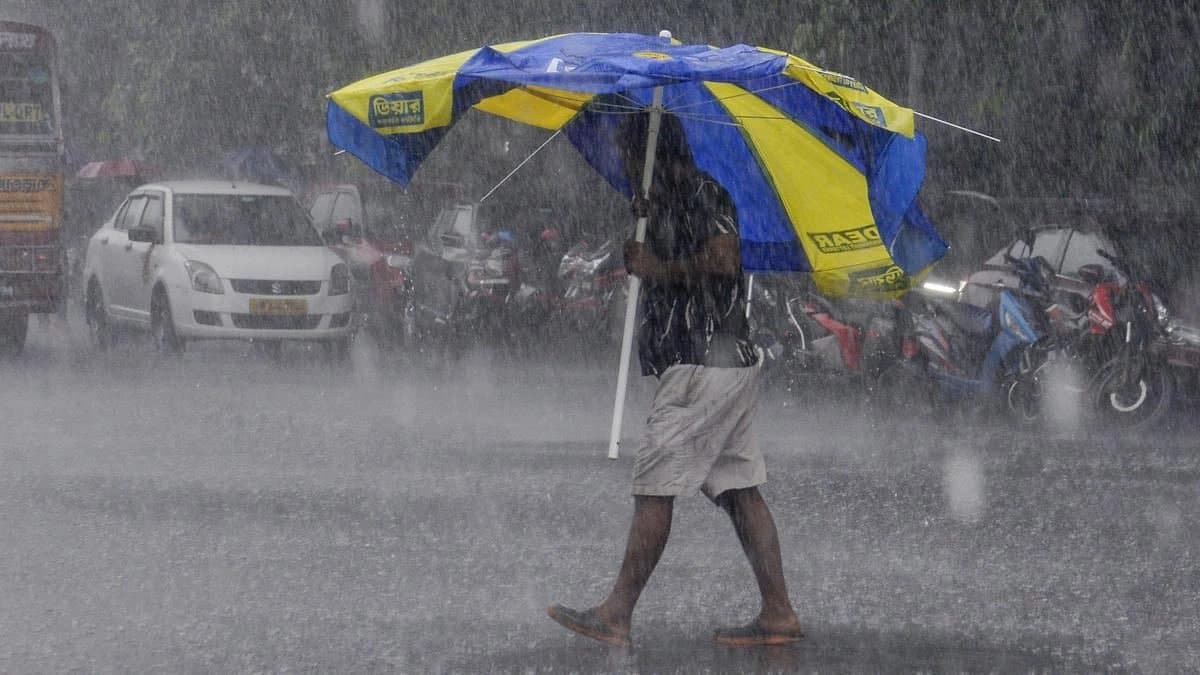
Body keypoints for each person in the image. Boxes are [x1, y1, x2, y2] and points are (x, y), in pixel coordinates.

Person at [546, 113, 804, 647]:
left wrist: (657, 267)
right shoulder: (667, 203)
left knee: (654, 486)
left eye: (628, 155)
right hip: (717, 364)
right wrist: (649, 228)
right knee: (739, 490)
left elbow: (725, 258)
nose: (623, 165)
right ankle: (778, 612)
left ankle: (617, 612)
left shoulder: (704, 194)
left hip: (701, 366)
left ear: (655, 155)